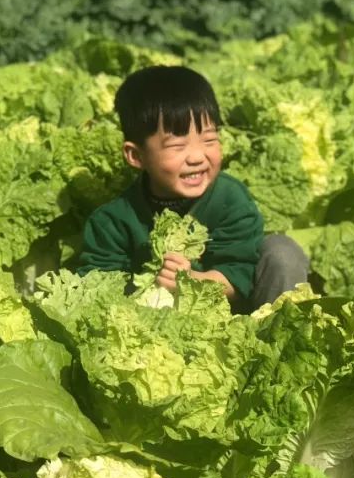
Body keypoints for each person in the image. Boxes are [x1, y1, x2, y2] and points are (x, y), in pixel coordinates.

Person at [76, 65, 309, 313]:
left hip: (240, 321)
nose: (197, 156)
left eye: (209, 140)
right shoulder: (111, 222)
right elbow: (97, 290)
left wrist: (190, 281)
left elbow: (240, 276)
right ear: (135, 155)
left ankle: (286, 337)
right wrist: (151, 287)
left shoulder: (230, 199)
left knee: (282, 251)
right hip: (152, 335)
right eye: (177, 146)